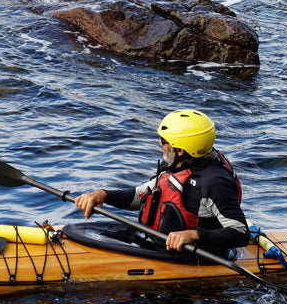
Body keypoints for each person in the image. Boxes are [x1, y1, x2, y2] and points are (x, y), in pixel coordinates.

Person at [73, 109, 250, 256]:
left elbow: (240, 233)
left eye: (164, 141)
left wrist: (193, 235)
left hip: (195, 256)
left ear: (180, 150)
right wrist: (103, 195)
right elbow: (141, 195)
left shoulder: (214, 182)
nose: (160, 143)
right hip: (158, 244)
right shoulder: (174, 164)